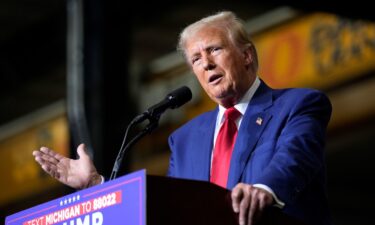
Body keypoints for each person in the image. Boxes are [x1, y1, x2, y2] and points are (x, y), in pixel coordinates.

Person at [33, 11, 332, 225]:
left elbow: (294, 159)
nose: (206, 64)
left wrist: (263, 190)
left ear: (247, 56)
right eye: (196, 60)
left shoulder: (298, 104)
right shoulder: (186, 138)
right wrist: (98, 187)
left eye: (215, 49)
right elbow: (172, 206)